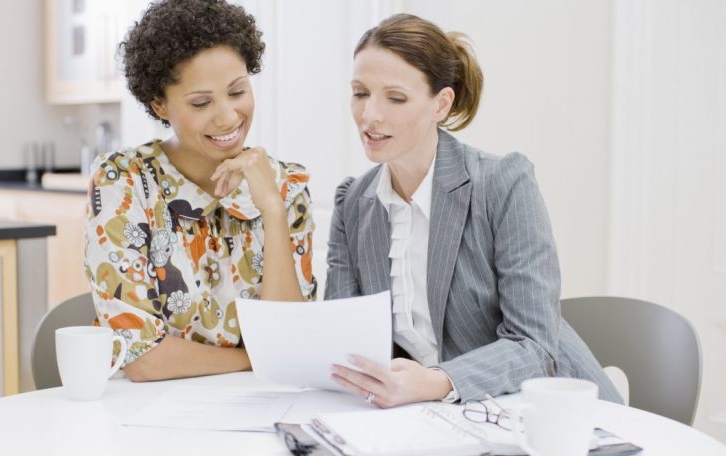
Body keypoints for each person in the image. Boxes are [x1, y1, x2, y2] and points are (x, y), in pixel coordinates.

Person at [326, 13, 622, 407]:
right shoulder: (352, 203)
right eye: (360, 93)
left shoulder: (503, 184)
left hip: (550, 411)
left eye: (395, 98)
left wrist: (435, 382)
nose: (369, 115)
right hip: (438, 417)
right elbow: (343, 341)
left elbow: (534, 344)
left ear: (441, 104)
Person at [84, 0, 316, 382]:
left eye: (237, 91)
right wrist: (256, 358)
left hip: (263, 405)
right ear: (160, 105)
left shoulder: (286, 186)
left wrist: (272, 211)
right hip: (148, 409)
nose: (227, 116)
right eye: (202, 102)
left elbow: (293, 341)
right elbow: (142, 358)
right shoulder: (124, 182)